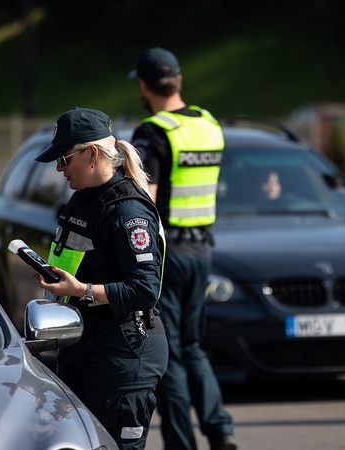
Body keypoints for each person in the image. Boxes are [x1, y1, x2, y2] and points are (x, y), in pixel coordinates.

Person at [34, 107, 168, 450]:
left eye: (64, 160)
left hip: (124, 356)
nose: (59, 169)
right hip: (82, 347)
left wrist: (81, 289)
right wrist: (56, 279)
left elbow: (145, 290)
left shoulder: (128, 212)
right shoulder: (82, 200)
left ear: (91, 154)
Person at [129, 47, 237, 450]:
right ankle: (220, 430)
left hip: (170, 254)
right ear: (178, 81)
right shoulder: (209, 124)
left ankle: (181, 443)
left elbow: (147, 200)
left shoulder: (153, 131)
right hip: (203, 248)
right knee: (193, 346)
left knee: (169, 352)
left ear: (144, 85)